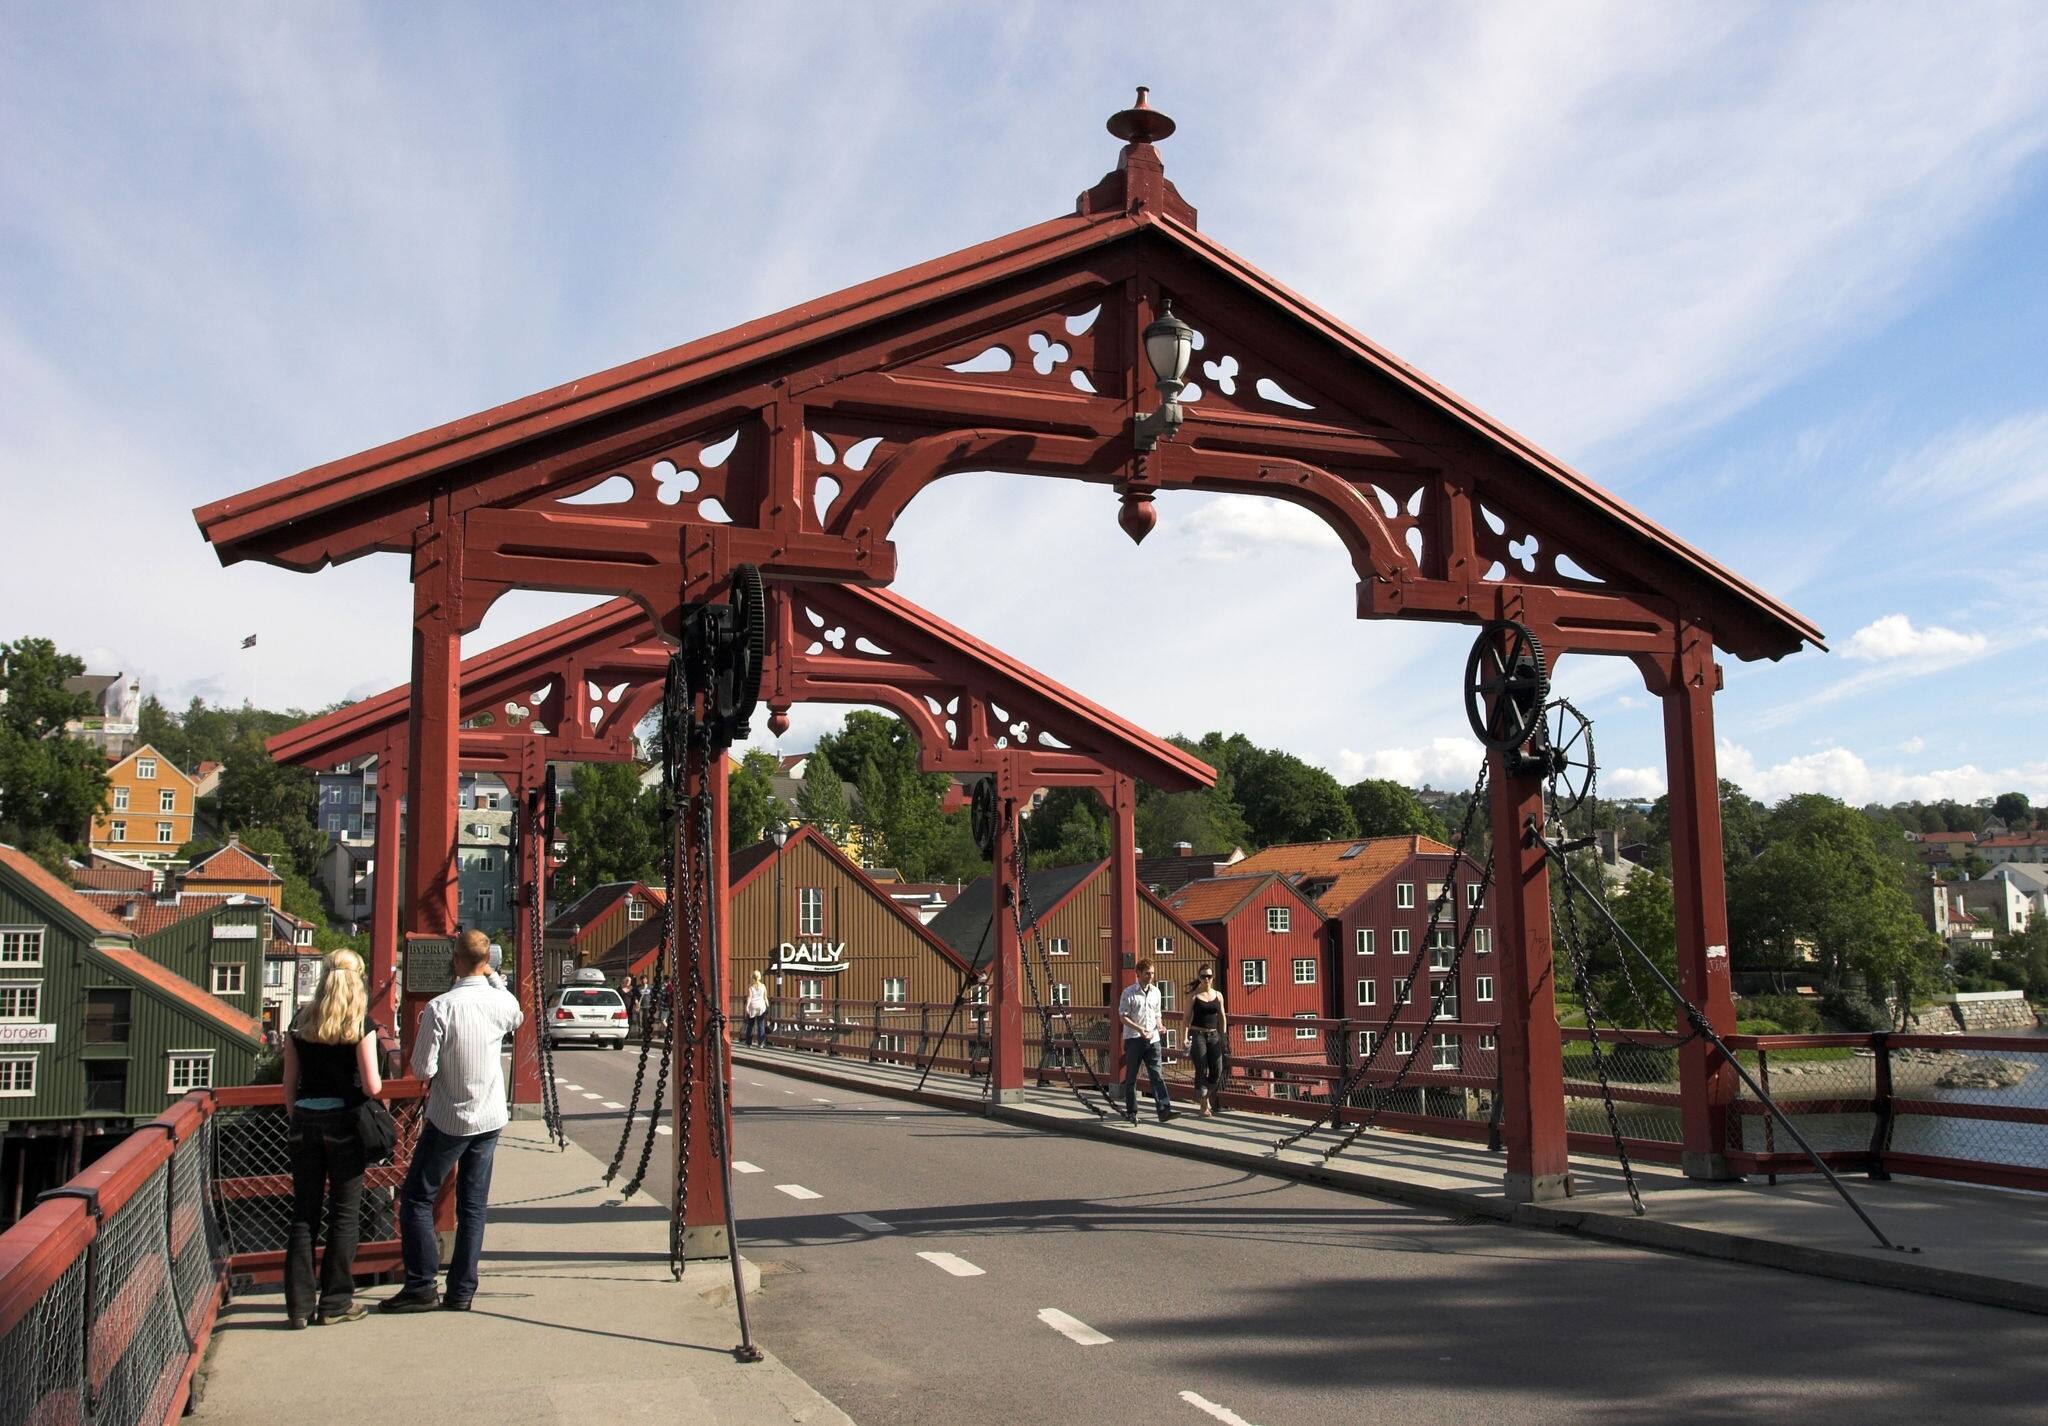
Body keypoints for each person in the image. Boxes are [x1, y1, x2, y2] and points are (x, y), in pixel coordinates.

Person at [382, 928, 525, 1313]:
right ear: (487, 961)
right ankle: (462, 1290)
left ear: (455, 960)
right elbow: (517, 1012)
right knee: (473, 1206)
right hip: (490, 1116)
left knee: (415, 1197)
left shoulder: (441, 1007)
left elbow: (422, 1067)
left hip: (451, 1118)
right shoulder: (501, 1005)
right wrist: (494, 976)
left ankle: (421, 1283)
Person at [280, 949, 383, 1328]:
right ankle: (336, 1301)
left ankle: (299, 1306)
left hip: (305, 1121)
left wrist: (298, 1118)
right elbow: (372, 1085)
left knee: (304, 1214)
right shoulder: (360, 1025)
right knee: (344, 1213)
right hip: (344, 1124)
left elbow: (288, 1086)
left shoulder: (300, 1023)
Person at [1118, 958, 1174, 1125]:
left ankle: (1164, 1110)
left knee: (1157, 1075)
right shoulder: (1129, 993)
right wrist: (1139, 1029)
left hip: (1153, 1039)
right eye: (1147, 973)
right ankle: (1132, 1111)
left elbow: (1157, 1014)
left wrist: (1161, 1026)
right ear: (1138, 974)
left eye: (1152, 973)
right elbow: (1123, 1017)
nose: (1150, 976)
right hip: (1135, 1039)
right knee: (1132, 1077)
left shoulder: (1156, 992)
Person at [1186, 966, 1228, 1117]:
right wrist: (1184, 1037)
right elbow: (1186, 1019)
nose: (1207, 979)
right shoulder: (1194, 996)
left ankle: (1204, 1097)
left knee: (1217, 1070)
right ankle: (1204, 1105)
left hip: (1214, 1035)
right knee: (1202, 1068)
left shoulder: (1218, 995)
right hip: (1198, 1034)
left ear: (1212, 978)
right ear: (1199, 977)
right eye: (1203, 976)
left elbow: (1222, 1017)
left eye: (1209, 976)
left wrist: (1223, 1036)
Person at [743, 970, 769, 1047]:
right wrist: (768, 1006)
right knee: (760, 1024)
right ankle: (761, 1043)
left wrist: (747, 1007)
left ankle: (748, 1043)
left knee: (750, 1025)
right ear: (760, 977)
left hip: (753, 1006)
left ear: (753, 978)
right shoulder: (763, 986)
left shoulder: (751, 987)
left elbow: (749, 998)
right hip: (761, 1006)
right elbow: (765, 997)